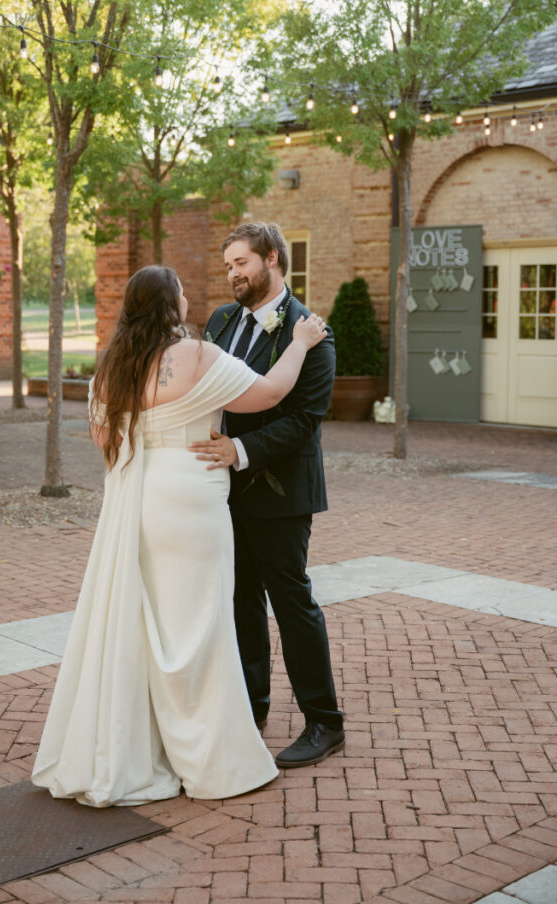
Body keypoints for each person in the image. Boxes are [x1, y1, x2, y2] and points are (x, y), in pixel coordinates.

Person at [31, 264, 328, 806]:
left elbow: (103, 438)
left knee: (151, 626)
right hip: (193, 500)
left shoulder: (113, 365)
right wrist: (302, 342)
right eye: (184, 292)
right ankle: (207, 756)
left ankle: (149, 747)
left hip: (142, 502)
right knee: (202, 626)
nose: (192, 298)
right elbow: (267, 394)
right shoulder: (195, 355)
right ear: (172, 305)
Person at [190, 222, 344, 768]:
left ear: (271, 259)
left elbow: (304, 419)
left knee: (292, 604)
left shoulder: (311, 332)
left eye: (242, 263)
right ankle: (251, 707)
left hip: (281, 493)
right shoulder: (221, 321)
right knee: (240, 603)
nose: (233, 273)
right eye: (228, 264)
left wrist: (241, 450)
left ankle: (325, 722)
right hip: (223, 492)